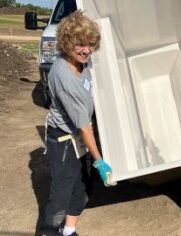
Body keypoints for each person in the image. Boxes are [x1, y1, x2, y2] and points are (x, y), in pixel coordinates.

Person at [41, 10, 116, 236]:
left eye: (90, 44)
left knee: (82, 188)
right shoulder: (63, 77)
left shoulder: (84, 63)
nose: (86, 50)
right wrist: (100, 161)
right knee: (62, 193)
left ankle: (68, 230)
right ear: (67, 43)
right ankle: (49, 231)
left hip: (79, 138)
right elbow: (83, 125)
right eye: (80, 44)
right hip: (64, 140)